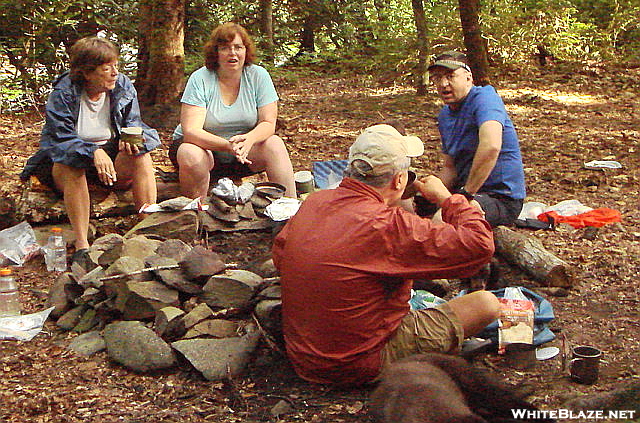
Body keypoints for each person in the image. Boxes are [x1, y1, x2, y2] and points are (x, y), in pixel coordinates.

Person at [272, 124, 500, 386]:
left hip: (302, 354)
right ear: (399, 180)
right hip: (358, 363)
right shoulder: (387, 225)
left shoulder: (315, 201)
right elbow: (480, 245)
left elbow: (281, 256)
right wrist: (449, 199)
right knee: (486, 304)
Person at [21, 37, 159, 264]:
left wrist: (135, 139)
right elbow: (59, 139)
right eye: (107, 69)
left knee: (141, 155)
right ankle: (82, 244)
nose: (115, 73)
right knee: (71, 164)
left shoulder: (122, 86)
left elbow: (135, 124)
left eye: (116, 66)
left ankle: (149, 228)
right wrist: (93, 151)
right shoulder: (63, 93)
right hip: (69, 163)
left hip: (110, 163)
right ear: (87, 73)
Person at [169, 22, 295, 199]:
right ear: (216, 53)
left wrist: (249, 139)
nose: (233, 53)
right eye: (225, 48)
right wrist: (227, 146)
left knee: (274, 144)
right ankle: (196, 212)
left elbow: (268, 123)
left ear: (246, 51)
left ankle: (289, 209)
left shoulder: (258, 76)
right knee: (190, 152)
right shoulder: (200, 78)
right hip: (204, 149)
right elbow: (191, 132)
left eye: (238, 47)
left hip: (242, 152)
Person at [427, 51, 526, 227]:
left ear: (468, 78)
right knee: (406, 206)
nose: (443, 84)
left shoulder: (485, 98)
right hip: (462, 192)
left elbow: (491, 146)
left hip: (499, 198)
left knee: (441, 222)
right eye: (438, 78)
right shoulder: (445, 116)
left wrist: (466, 195)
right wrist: (421, 190)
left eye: (450, 76)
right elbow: (450, 169)